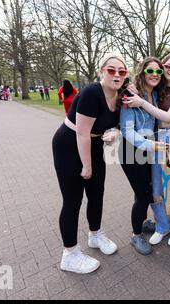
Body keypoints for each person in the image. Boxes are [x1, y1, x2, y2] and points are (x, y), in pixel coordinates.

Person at [52, 54, 125, 274]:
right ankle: (70, 254)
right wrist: (87, 165)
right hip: (69, 144)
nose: (117, 75)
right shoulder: (92, 93)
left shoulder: (121, 95)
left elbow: (115, 124)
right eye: (111, 70)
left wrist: (114, 131)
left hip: (94, 145)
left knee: (97, 193)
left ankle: (95, 235)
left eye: (121, 71)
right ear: (102, 71)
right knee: (73, 201)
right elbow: (82, 132)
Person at [125, 54, 170, 247]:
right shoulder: (157, 89)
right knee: (156, 188)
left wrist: (141, 102)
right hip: (155, 139)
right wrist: (132, 87)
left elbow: (169, 116)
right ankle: (162, 226)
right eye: (167, 66)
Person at [120, 56, 168, 255]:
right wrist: (150, 144)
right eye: (150, 71)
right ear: (142, 72)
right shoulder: (129, 94)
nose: (155, 75)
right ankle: (135, 234)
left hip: (150, 151)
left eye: (159, 71)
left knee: (146, 189)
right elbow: (126, 130)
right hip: (132, 152)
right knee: (143, 195)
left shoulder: (154, 94)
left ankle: (142, 221)